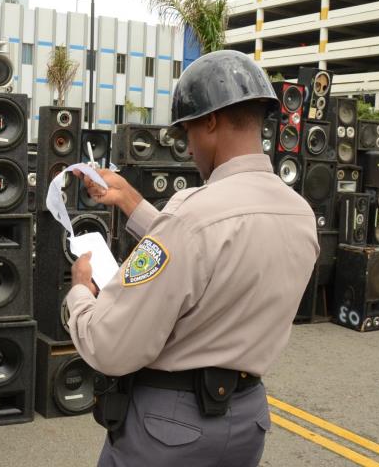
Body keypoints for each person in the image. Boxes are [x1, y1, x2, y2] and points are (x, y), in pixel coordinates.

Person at [68, 50, 320, 466]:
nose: (188, 148)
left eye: (188, 132)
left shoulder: (192, 215)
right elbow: (214, 258)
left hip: (169, 430)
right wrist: (129, 199)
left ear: (211, 121)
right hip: (246, 424)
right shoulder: (299, 214)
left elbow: (110, 347)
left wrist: (80, 293)